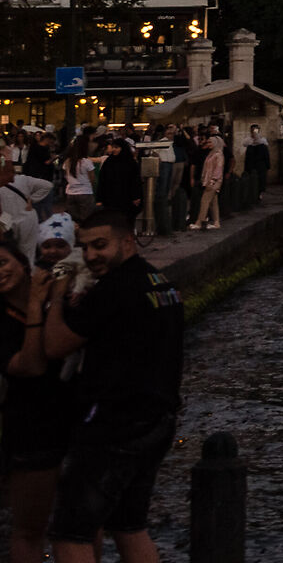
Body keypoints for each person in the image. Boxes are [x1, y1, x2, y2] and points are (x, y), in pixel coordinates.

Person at [43, 210, 183, 563]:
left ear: (127, 242)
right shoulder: (160, 282)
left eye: (100, 245)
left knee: (69, 534)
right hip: (157, 419)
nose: (90, 256)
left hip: (113, 423)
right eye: (85, 247)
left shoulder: (114, 289)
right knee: (129, 526)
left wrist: (55, 294)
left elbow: (56, 345)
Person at [0, 235, 71, 563]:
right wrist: (34, 306)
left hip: (75, 419)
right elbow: (30, 365)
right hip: (31, 427)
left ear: (24, 264)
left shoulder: (57, 296)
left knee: (79, 525)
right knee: (30, 529)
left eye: (2, 263)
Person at [93, 140, 140, 230]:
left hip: (126, 198)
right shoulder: (109, 162)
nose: (114, 150)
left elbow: (135, 181)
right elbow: (102, 181)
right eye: (113, 147)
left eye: (117, 147)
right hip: (110, 198)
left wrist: (136, 196)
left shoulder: (130, 162)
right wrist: (99, 198)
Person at [192, 137, 223, 231]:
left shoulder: (218, 154)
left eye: (210, 142)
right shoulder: (211, 154)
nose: (208, 143)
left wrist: (212, 180)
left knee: (204, 201)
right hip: (209, 180)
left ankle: (199, 222)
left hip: (213, 181)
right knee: (213, 202)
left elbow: (218, 168)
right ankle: (216, 222)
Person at [242, 126, 270, 202]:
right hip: (251, 164)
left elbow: (266, 154)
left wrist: (267, 166)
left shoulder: (262, 141)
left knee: (260, 180)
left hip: (260, 165)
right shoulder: (248, 141)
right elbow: (245, 144)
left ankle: (258, 194)